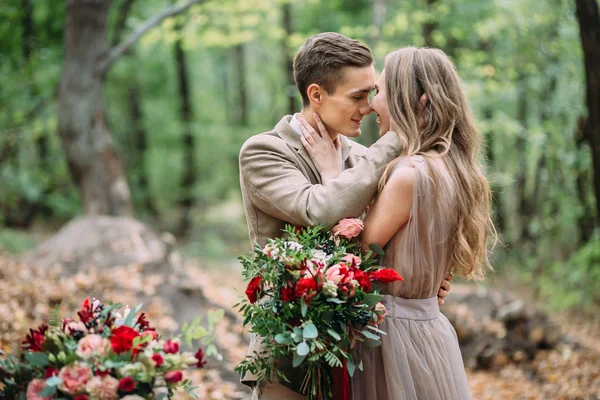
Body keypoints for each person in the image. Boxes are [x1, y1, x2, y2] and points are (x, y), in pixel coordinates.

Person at [239, 34, 452, 400]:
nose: (369, 107)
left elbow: (372, 242)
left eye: (372, 93)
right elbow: (317, 211)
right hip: (293, 353)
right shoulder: (264, 151)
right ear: (316, 95)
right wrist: (400, 135)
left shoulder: (361, 156)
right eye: (357, 96)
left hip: (359, 354)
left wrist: (420, 280)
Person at [300, 47, 495, 399]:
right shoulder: (449, 168)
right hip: (427, 329)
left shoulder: (409, 174)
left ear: (416, 101)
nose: (373, 105)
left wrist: (332, 174)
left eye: (381, 92)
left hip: (393, 340)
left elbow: (352, 256)